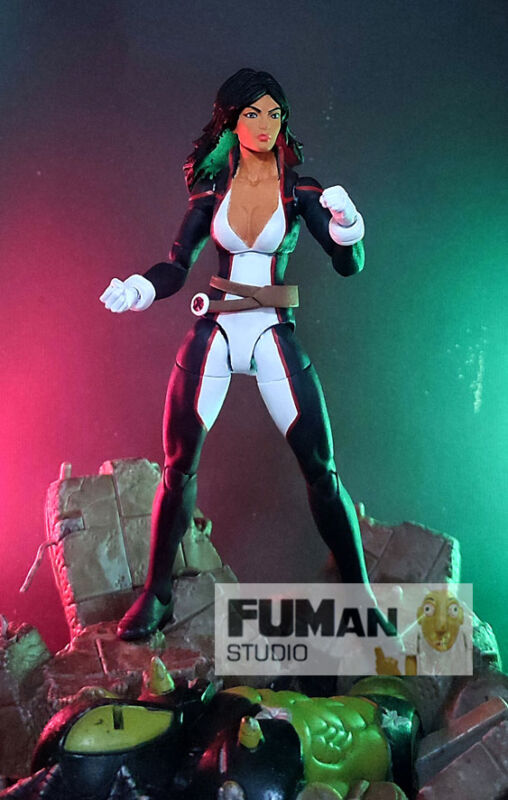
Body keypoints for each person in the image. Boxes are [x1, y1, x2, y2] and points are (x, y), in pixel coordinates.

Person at [100, 68, 370, 640]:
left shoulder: (300, 191)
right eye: (252, 113)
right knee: (178, 467)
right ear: (231, 121)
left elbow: (347, 264)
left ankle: (360, 596)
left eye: (274, 113)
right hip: (218, 328)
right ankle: (156, 593)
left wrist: (348, 226)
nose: (265, 124)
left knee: (321, 471)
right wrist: (141, 287)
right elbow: (177, 264)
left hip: (271, 331)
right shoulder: (212, 192)